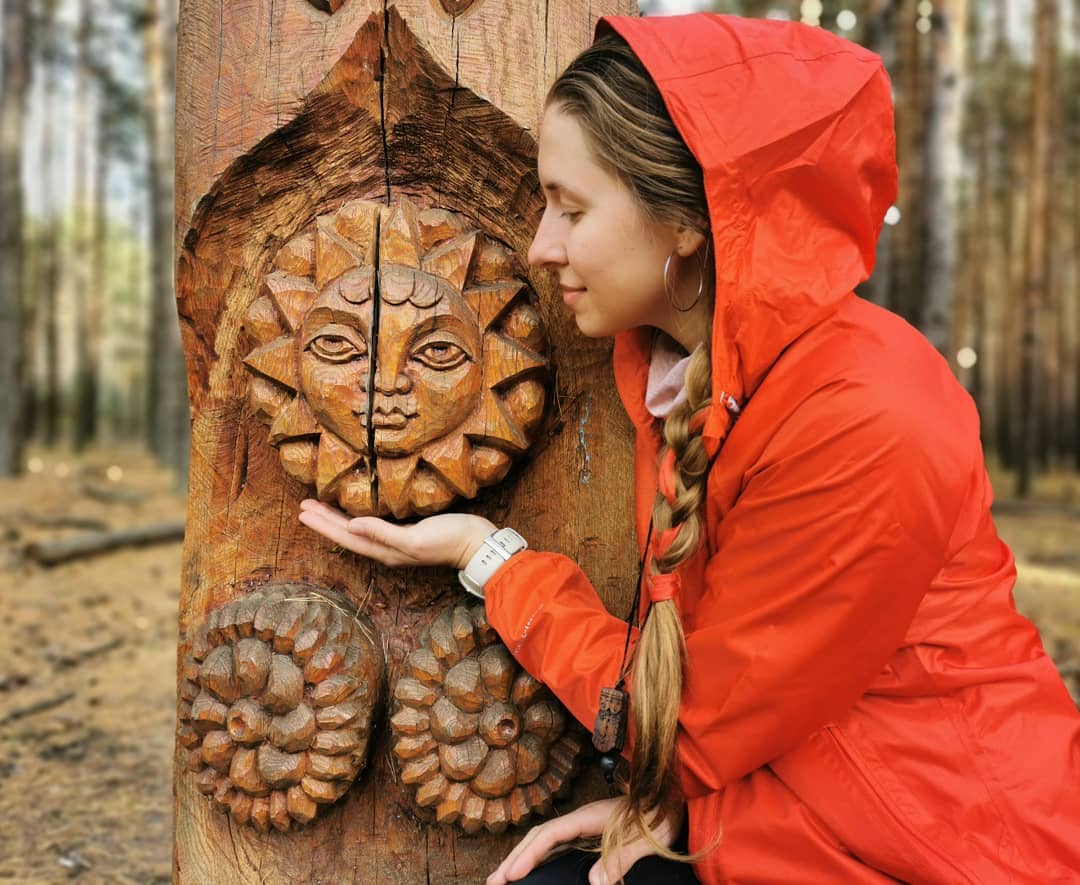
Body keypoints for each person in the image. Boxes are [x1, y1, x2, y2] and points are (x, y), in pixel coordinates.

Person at [299, 12, 1080, 885]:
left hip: (934, 847)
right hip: (790, 812)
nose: (540, 246)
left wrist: (491, 558)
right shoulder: (679, 379)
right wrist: (676, 800)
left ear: (686, 223)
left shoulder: (864, 412)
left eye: (572, 208)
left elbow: (694, 719)